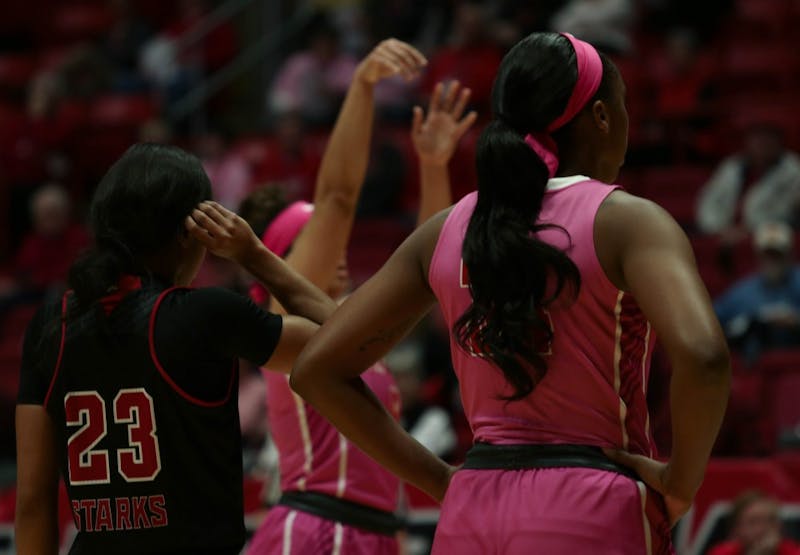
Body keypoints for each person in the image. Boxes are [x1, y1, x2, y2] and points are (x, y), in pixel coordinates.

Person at [291, 32, 731, 554]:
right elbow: (704, 356)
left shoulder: (447, 229)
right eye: (623, 105)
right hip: (590, 503)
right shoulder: (627, 221)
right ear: (602, 118)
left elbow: (315, 370)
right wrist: (681, 482)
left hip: (471, 511)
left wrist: (439, 479)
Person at [15, 143, 337, 554]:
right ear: (194, 229)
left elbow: (32, 502)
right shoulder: (203, 314)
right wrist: (253, 254)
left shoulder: (50, 324)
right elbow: (342, 341)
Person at [244, 39, 476, 555]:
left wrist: (434, 165)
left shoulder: (351, 327)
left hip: (371, 533)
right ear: (286, 262)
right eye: (318, 240)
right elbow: (337, 198)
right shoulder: (284, 321)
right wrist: (362, 87)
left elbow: (430, 268)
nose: (338, 245)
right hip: (315, 528)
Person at [714, 222, 800, 362]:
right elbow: (713, 323)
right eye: (767, 255)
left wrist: (795, 321)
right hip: (755, 368)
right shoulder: (742, 292)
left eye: (777, 255)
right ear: (758, 256)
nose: (772, 261)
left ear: (789, 255)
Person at [696, 125, 800, 239]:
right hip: (723, 235)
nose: (762, 143)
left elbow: (785, 213)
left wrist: (749, 229)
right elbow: (709, 202)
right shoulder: (731, 166)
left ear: (779, 141)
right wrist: (719, 229)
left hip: (768, 238)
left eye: (768, 138)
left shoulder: (793, 170)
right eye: (757, 138)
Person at [708, 490, 800, 555]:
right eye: (753, 522)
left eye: (769, 521)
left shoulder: (794, 552)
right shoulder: (721, 553)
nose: (762, 529)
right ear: (736, 527)